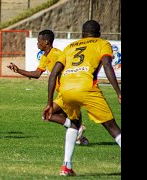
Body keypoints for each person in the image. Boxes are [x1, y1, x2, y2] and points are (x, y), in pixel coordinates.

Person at [42, 20, 121, 176]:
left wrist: (49, 103)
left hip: (66, 89)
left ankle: (66, 167)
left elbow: (53, 74)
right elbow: (107, 65)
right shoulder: (102, 43)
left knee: (74, 124)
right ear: (99, 33)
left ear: (82, 33)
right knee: (113, 128)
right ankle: (67, 166)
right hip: (86, 87)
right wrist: (118, 91)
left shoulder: (70, 47)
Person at [7, 29, 89, 145]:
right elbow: (37, 74)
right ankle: (80, 136)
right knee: (62, 116)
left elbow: (70, 67)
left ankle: (77, 129)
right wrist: (18, 70)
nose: (37, 43)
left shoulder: (57, 54)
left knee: (48, 114)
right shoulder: (45, 56)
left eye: (39, 41)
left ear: (46, 42)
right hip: (62, 92)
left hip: (67, 91)